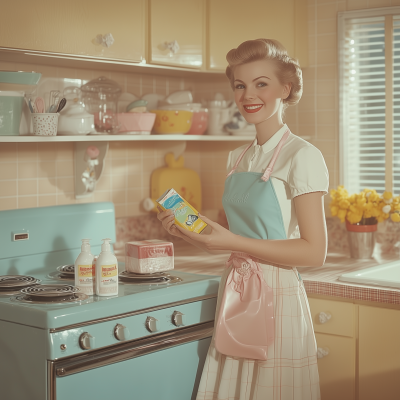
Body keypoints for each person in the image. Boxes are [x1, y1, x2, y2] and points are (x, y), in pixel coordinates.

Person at [157, 38, 328, 400]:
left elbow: (314, 253)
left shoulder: (303, 156)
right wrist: (190, 233)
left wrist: (231, 242)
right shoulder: (237, 156)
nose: (248, 95)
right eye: (240, 84)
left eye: (261, 83)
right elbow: (234, 237)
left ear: (286, 88)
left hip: (277, 295)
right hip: (235, 287)